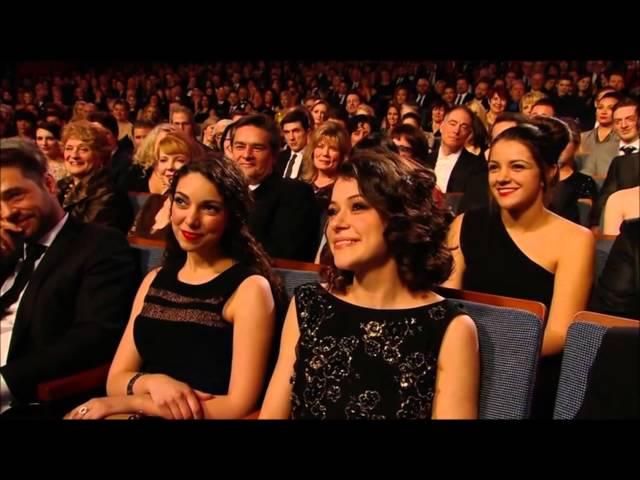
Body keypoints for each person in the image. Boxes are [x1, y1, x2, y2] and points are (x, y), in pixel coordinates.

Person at [260, 148, 479, 419]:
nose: (336, 223)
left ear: (401, 216)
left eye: (358, 206)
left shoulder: (450, 328)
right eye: (333, 210)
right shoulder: (308, 305)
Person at [66, 154, 285, 420]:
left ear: (232, 216)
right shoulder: (154, 279)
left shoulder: (250, 288)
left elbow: (238, 405)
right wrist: (154, 383)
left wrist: (131, 405)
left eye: (210, 208)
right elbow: (116, 380)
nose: (190, 219)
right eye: (181, 202)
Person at [443, 122, 594, 418]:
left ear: (548, 172)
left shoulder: (575, 240)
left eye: (517, 167)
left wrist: (490, 356)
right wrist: (461, 357)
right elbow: (446, 305)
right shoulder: (463, 225)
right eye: (494, 167)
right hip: (460, 365)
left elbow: (560, 333)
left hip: (530, 374)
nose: (502, 178)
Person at [0, 139, 137, 417]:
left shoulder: (99, 245)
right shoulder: (7, 248)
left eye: (15, 195)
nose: (6, 213)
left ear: (49, 185)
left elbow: (94, 338)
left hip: (28, 398)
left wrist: (5, 381)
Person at [57, 120, 133, 233]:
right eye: (69, 148)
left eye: (83, 149)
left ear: (100, 154)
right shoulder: (60, 185)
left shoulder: (108, 193)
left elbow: (87, 237)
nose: (73, 155)